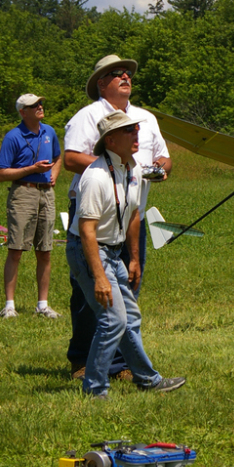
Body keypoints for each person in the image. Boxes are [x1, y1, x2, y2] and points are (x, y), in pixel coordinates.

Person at [63, 54, 172, 380]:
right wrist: (116, 169)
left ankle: (120, 364)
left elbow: (164, 158)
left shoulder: (146, 118)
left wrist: (157, 171)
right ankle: (82, 361)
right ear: (101, 83)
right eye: (116, 73)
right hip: (94, 213)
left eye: (128, 73)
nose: (126, 77)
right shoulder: (88, 116)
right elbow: (69, 158)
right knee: (90, 293)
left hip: (131, 216)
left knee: (128, 288)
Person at [66, 110, 185, 399]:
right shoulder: (95, 177)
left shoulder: (131, 169)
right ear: (111, 139)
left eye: (135, 129)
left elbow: (133, 214)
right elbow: (87, 231)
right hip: (88, 251)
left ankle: (147, 379)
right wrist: (99, 277)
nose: (137, 135)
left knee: (129, 317)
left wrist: (133, 258)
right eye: (129, 131)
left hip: (113, 251)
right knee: (113, 320)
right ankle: (95, 388)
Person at [0, 93, 62, 319]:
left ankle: (42, 305)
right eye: (34, 106)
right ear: (23, 112)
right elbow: (1, 173)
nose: (40, 107)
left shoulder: (49, 132)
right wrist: (31, 169)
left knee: (45, 251)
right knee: (16, 250)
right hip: (23, 192)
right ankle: (10, 306)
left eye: (41, 103)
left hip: (47, 194)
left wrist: (54, 174)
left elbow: (58, 156)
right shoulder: (13, 137)